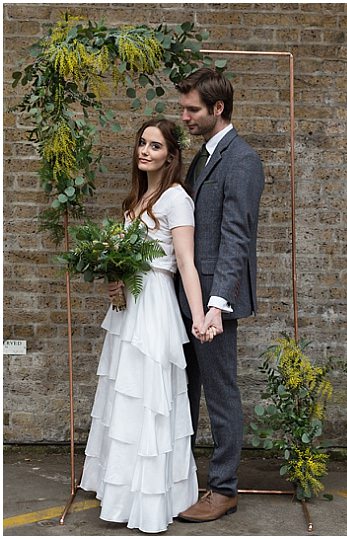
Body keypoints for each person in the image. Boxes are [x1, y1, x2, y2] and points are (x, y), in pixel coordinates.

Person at [80, 118, 208, 533]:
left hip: (155, 306)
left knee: (149, 396)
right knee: (124, 392)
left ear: (171, 155)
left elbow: (186, 263)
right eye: (141, 143)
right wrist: (114, 282)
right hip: (128, 309)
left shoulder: (176, 199)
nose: (144, 151)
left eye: (154, 146)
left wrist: (201, 314)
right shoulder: (134, 202)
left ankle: (150, 498)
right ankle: (120, 489)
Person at [174, 68, 265, 523]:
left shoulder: (242, 159)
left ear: (218, 109)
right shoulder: (203, 158)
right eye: (184, 108)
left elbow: (236, 237)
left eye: (192, 110)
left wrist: (216, 305)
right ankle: (182, 480)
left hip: (214, 301)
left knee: (219, 389)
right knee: (184, 388)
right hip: (189, 294)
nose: (185, 117)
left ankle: (224, 488)